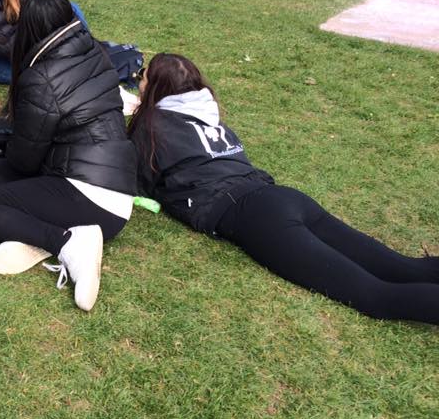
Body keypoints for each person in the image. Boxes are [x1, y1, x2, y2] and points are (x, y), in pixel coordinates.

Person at [128, 52, 439, 324]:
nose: (139, 80)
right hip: (284, 197)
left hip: (256, 216)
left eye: (143, 76)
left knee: (375, 296)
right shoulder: (209, 116)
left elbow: (133, 179)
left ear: (155, 87)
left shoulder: (152, 125)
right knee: (405, 268)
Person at [0, 0, 138, 311]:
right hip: (119, 193)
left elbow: (24, 160)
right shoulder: (93, 51)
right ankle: (44, 233)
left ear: (28, 27)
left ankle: (66, 242)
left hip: (88, 197)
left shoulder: (40, 76)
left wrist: (2, 144)